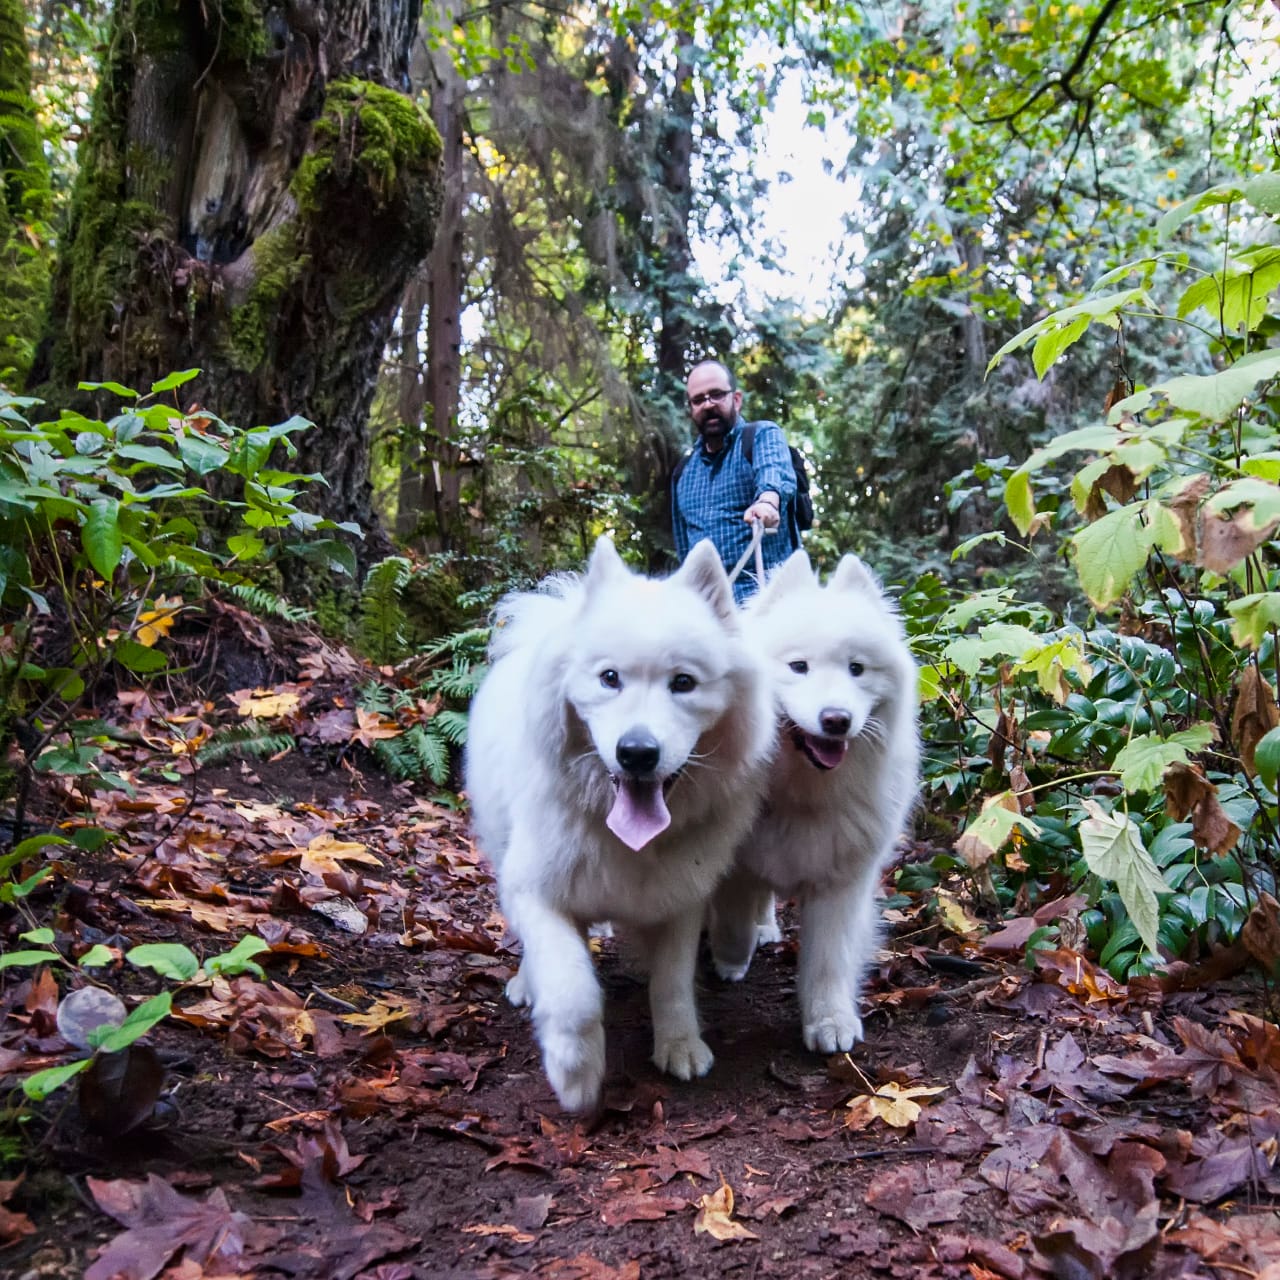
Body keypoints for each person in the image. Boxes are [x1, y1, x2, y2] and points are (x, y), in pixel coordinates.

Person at [671, 358, 799, 603]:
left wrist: (767, 503)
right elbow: (685, 553)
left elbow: (774, 473)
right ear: (691, 408)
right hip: (709, 612)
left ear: (736, 399)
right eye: (698, 400)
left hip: (768, 603)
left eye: (717, 394)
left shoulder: (761, 436)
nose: (708, 404)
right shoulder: (682, 473)